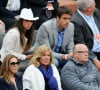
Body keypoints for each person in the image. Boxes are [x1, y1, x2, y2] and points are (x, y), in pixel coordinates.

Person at [71, 0, 100, 69]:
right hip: (92, 53)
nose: (95, 4)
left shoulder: (95, 12)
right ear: (89, 8)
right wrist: (95, 59)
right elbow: (81, 43)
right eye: (94, 4)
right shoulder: (76, 21)